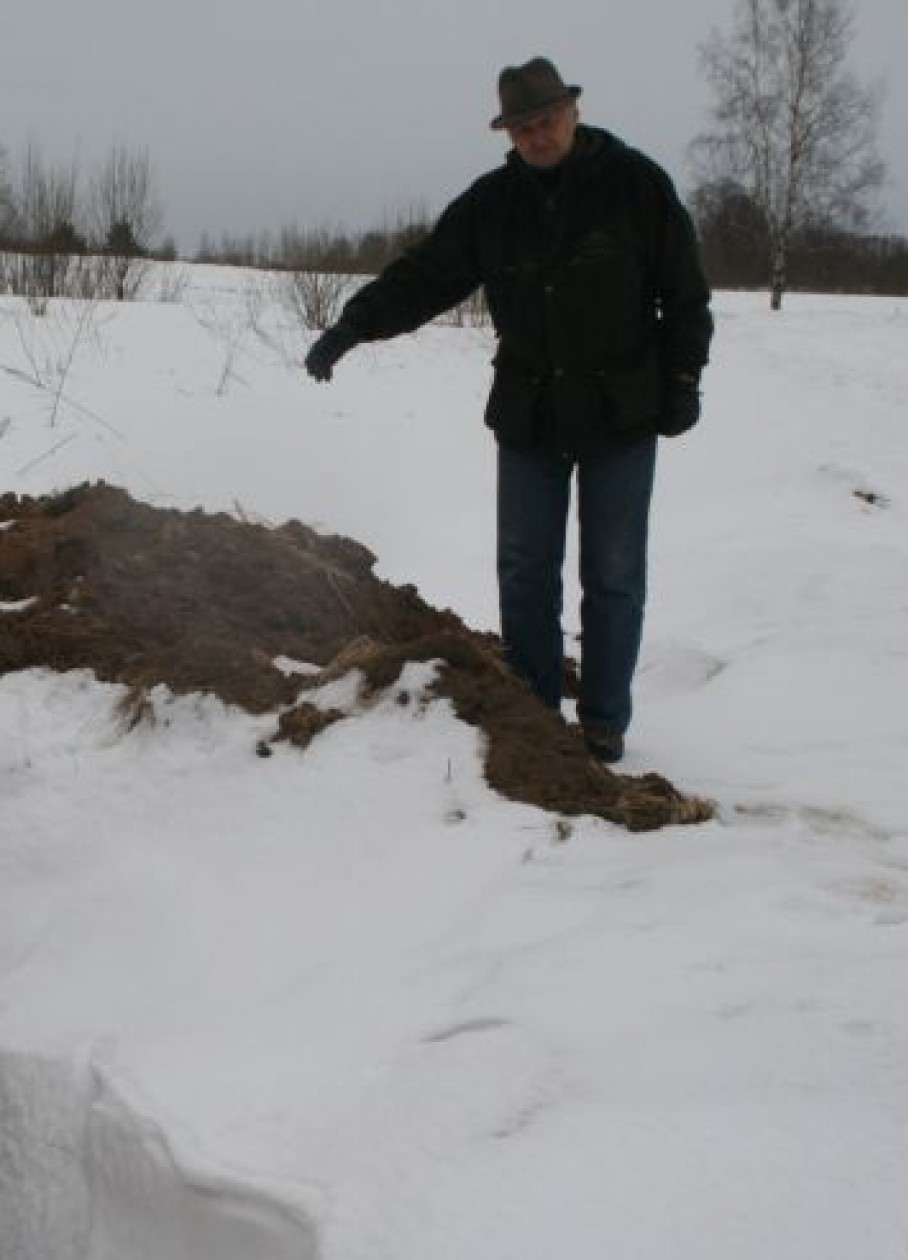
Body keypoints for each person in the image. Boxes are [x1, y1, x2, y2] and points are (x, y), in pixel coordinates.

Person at [305, 57, 712, 765]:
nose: (537, 135)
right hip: (531, 412)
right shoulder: (492, 204)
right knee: (525, 568)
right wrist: (354, 326)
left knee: (613, 571)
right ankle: (532, 710)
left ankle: (604, 721)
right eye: (522, 127)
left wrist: (681, 378)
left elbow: (685, 293)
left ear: (572, 111)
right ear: (509, 134)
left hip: (620, 412)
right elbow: (427, 274)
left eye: (546, 119)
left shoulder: (634, 185)